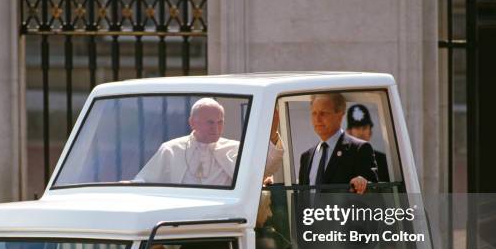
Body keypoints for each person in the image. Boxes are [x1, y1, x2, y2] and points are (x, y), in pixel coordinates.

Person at [135, 98, 283, 186]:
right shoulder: (171, 150)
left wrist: (272, 135)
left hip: (223, 223)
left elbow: (264, 169)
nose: (216, 128)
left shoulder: (234, 148)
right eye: (210, 122)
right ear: (193, 123)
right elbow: (145, 181)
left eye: (220, 122)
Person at [298, 93, 378, 193]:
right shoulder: (306, 157)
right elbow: (302, 199)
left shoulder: (359, 149)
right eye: (314, 113)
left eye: (323, 113)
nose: (317, 119)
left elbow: (374, 193)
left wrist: (362, 183)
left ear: (339, 115)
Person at [346, 103, 390, 182]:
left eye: (364, 127)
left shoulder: (383, 161)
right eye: (357, 128)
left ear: (370, 132)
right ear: (349, 132)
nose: (361, 132)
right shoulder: (342, 161)